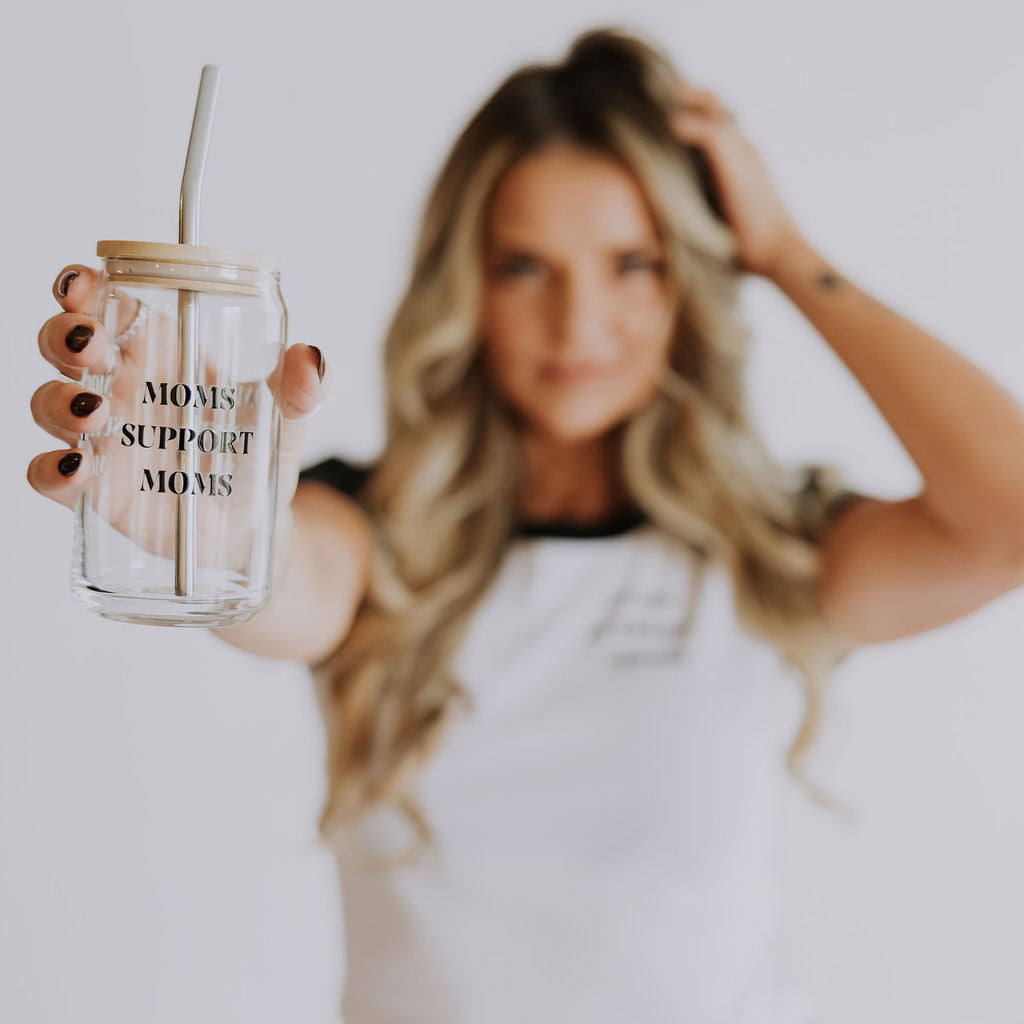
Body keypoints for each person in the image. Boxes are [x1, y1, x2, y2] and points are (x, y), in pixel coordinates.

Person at [27, 24, 1024, 1024]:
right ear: (467, 280)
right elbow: (282, 571)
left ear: (689, 275)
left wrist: (785, 251)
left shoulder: (770, 555)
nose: (580, 324)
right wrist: (213, 531)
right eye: (526, 268)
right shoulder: (374, 536)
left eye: (632, 263)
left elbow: (1009, 516)